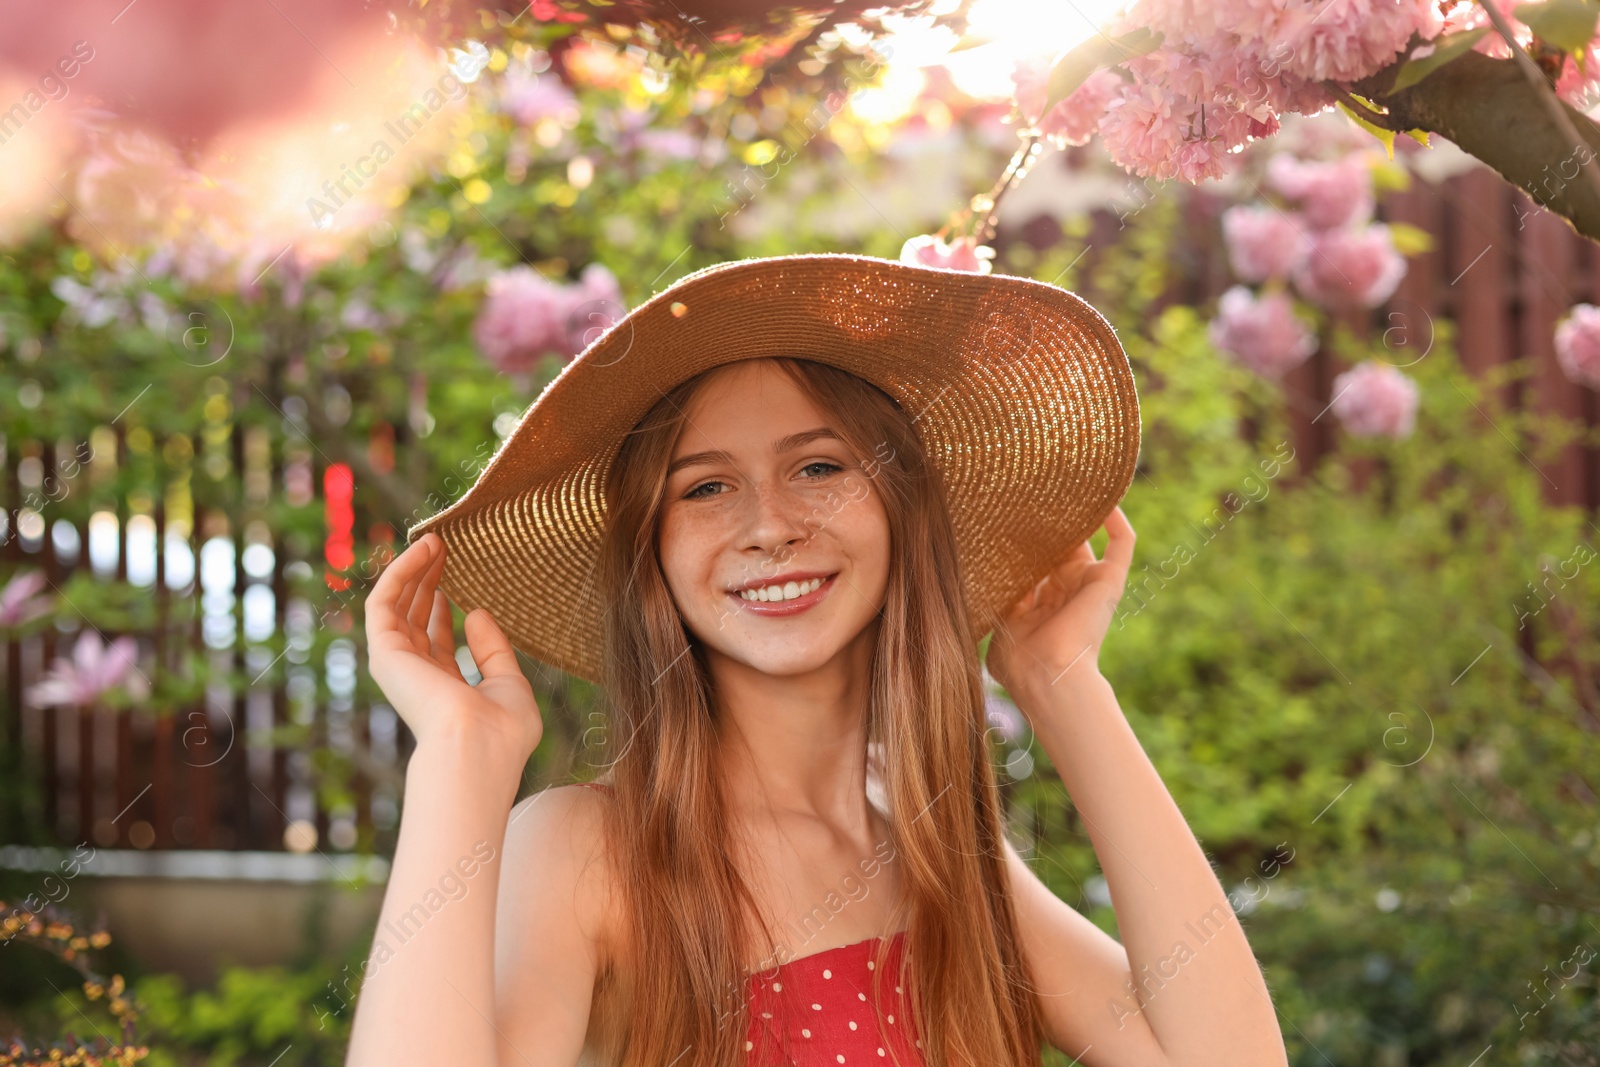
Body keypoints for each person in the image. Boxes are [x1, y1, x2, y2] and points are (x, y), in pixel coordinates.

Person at [347, 253, 1288, 1066]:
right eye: (708, 486)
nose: (769, 526)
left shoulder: (945, 859)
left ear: (899, 509)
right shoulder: (587, 850)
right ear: (652, 556)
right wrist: (460, 762)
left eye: (820, 466)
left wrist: (1063, 685)